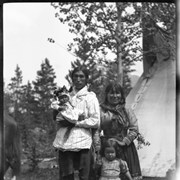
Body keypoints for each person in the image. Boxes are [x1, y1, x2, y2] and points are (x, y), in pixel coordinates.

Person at [52, 66, 100, 180]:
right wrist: (60, 115)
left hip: (83, 141)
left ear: (86, 79)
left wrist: (76, 123)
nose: (78, 79)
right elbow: (57, 117)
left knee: (85, 176)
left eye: (81, 76)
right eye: (75, 76)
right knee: (66, 175)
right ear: (72, 78)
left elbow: (95, 120)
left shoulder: (90, 97)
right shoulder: (64, 96)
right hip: (65, 142)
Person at [100, 82, 142, 180]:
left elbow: (134, 129)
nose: (115, 96)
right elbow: (96, 129)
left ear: (122, 95)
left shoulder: (127, 111)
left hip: (125, 148)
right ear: (106, 95)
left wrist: (124, 141)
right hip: (108, 148)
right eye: (111, 93)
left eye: (117, 93)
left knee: (127, 174)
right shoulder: (101, 111)